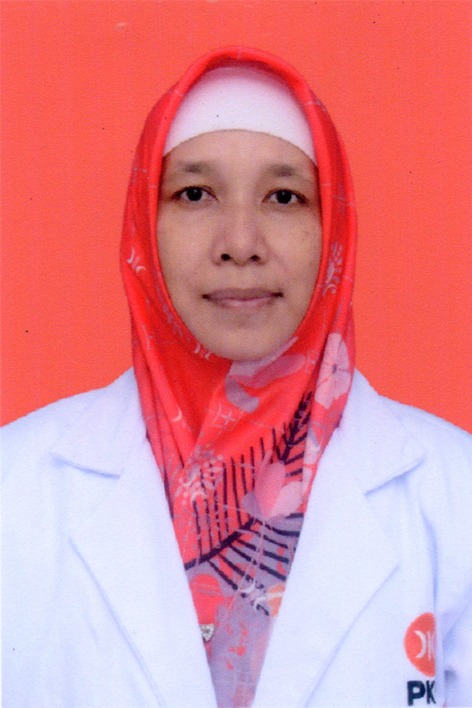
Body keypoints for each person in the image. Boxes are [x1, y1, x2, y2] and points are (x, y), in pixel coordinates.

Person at [2, 46, 471, 708]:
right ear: (144, 225)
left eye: (284, 197)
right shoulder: (15, 488)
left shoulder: (453, 495)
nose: (241, 242)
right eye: (195, 194)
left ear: (332, 228)